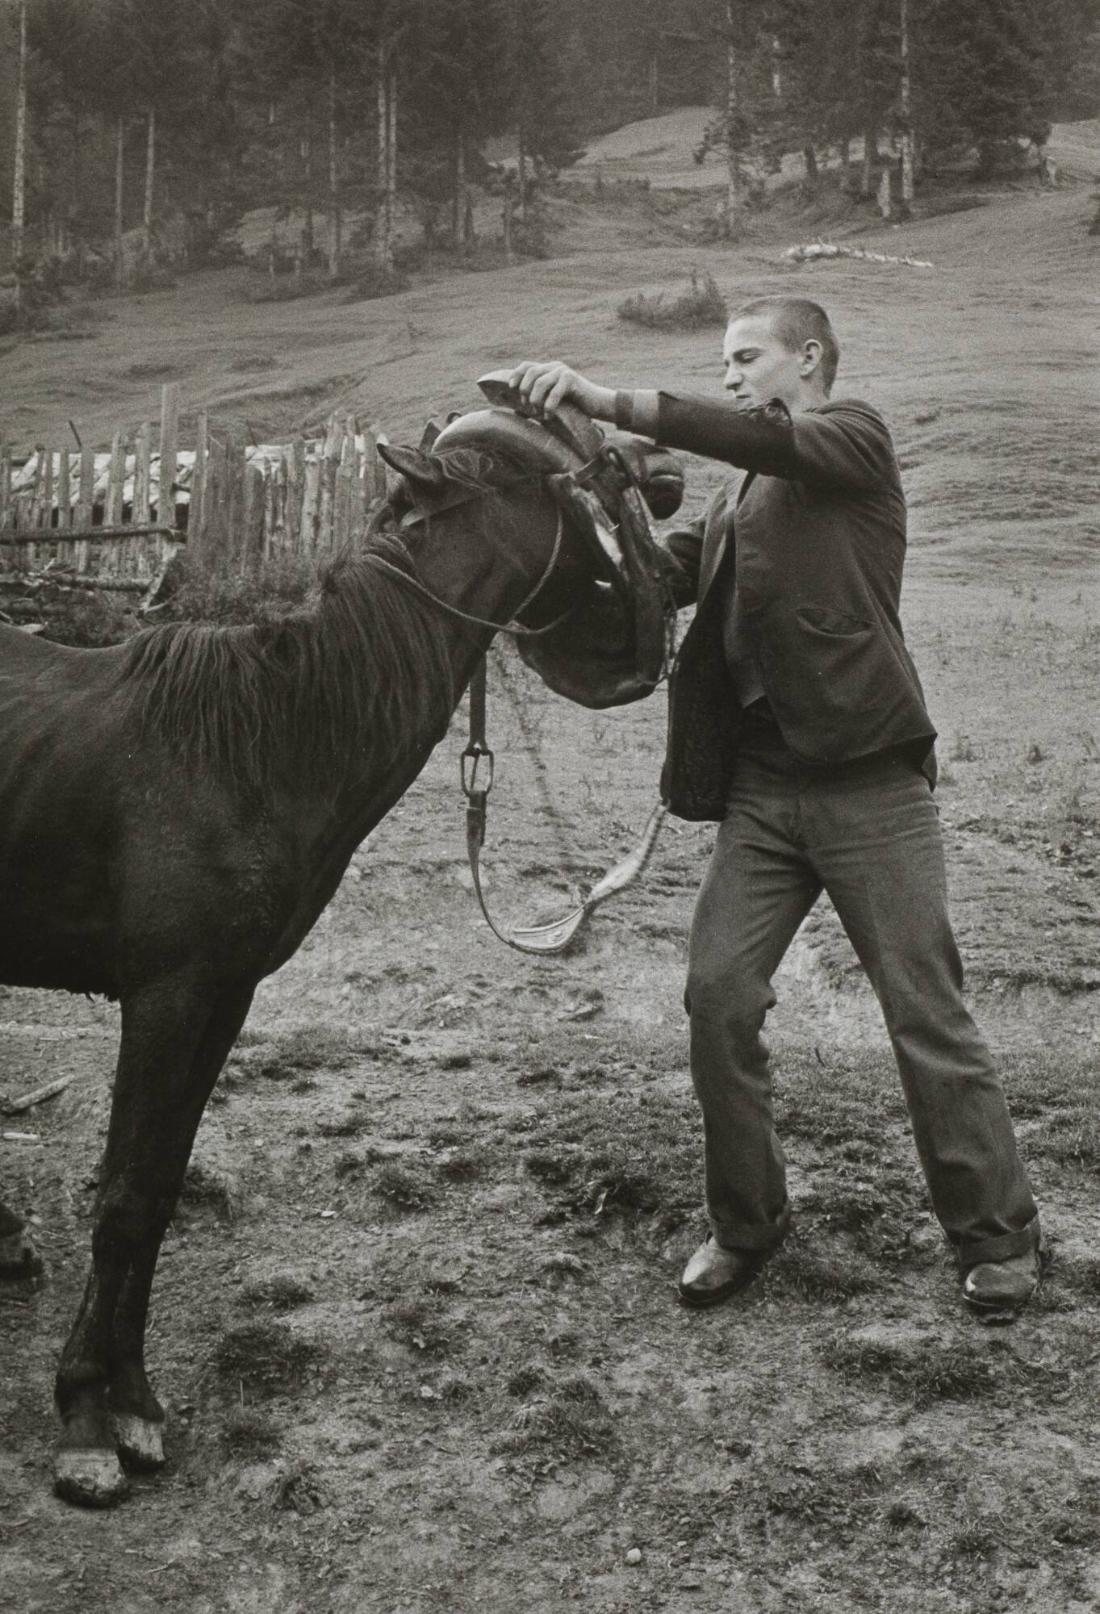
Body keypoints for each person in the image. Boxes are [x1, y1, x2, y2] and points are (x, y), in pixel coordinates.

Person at [508, 297, 1043, 1323]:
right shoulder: (731, 505)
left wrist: (609, 396)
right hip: (760, 793)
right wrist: (579, 517)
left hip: (868, 783)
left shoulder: (850, 439)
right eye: (722, 361)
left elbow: (755, 433)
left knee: (924, 1014)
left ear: (807, 358)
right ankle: (745, 1224)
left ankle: (994, 1236)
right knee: (716, 996)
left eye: (744, 357)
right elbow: (658, 584)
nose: (732, 374)